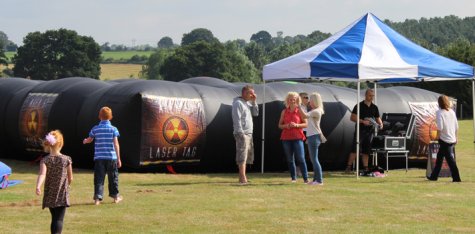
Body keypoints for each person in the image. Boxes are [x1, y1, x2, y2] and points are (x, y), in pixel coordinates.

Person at [35, 130, 73, 234]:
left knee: (54, 218)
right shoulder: (67, 159)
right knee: (59, 219)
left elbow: (42, 174)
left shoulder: (45, 160)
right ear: (60, 143)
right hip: (62, 193)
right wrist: (67, 185)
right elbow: (70, 178)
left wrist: (38, 186)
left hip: (50, 193)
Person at [83, 106, 123, 205]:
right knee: (113, 178)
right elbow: (116, 144)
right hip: (111, 158)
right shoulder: (113, 129)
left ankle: (97, 199)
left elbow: (90, 139)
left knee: (99, 178)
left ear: (99, 116)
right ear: (111, 117)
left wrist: (85, 141)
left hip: (99, 158)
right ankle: (115, 197)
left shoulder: (95, 129)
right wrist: (119, 158)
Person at [345, 89, 382, 174]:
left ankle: (365, 168)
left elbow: (378, 118)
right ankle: (348, 167)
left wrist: (381, 124)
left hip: (370, 132)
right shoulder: (359, 106)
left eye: (373, 96)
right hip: (360, 131)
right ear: (365, 95)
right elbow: (352, 118)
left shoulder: (374, 107)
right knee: (355, 149)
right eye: (370, 95)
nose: (371, 97)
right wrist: (362, 121)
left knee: (366, 150)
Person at [427, 95, 461, 182]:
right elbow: (456, 126)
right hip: (452, 138)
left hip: (444, 139)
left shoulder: (439, 113)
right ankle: (434, 176)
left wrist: (436, 137)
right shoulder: (452, 112)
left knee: (450, 160)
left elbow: (440, 128)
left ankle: (456, 178)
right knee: (439, 158)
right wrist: (456, 137)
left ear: (439, 103)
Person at [278, 92, 309, 183]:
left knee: (301, 158)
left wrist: (296, 125)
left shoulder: (300, 110)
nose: (292, 100)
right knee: (290, 159)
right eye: (290, 98)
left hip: (298, 137)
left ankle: (305, 178)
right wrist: (286, 126)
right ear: (287, 100)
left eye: (294, 98)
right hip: (286, 138)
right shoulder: (284, 111)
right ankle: (293, 178)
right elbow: (279, 125)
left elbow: (306, 124)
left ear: (297, 99)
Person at [232, 85, 258, 185]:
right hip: (242, 133)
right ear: (244, 93)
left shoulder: (247, 103)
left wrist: (254, 102)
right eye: (251, 93)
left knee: (246, 156)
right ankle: (243, 179)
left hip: (248, 133)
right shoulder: (238, 103)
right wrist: (240, 132)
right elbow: (236, 119)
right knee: (242, 155)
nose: (253, 95)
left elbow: (255, 113)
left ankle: (242, 177)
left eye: (253, 93)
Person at [304, 93, 326, 185]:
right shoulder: (314, 110)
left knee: (314, 159)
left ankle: (319, 180)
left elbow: (304, 116)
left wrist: (298, 106)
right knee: (313, 159)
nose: (309, 102)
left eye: (311, 100)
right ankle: (315, 179)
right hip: (312, 136)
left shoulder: (316, 111)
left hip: (314, 136)